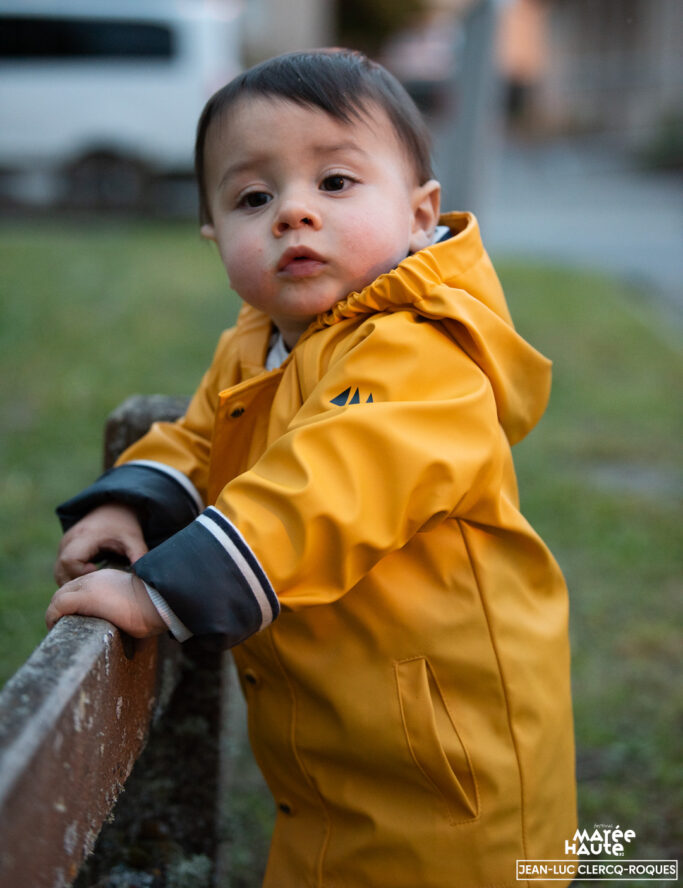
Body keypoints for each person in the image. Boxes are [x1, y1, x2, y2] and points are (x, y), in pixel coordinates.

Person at [47, 49, 576, 888]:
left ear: (419, 213)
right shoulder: (258, 343)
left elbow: (326, 488)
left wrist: (159, 594)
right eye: (253, 198)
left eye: (334, 182)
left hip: (448, 774)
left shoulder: (419, 352)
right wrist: (130, 504)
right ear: (214, 235)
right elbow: (199, 438)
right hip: (328, 759)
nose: (293, 212)